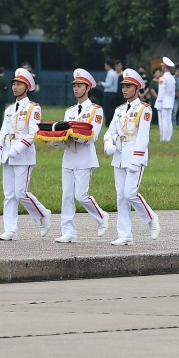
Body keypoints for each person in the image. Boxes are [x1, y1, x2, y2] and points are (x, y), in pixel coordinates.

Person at [0, 68, 52, 241]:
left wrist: (16, 149)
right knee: (9, 194)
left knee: (20, 193)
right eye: (14, 84)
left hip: (23, 155)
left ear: (27, 87)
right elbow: (3, 132)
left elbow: (33, 133)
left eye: (19, 84)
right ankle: (10, 229)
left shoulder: (33, 108)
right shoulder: (10, 109)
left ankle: (43, 213)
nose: (14, 87)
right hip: (8, 155)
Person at [103, 68, 160, 244]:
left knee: (130, 193)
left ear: (137, 88)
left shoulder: (144, 109)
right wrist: (108, 144)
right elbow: (109, 132)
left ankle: (151, 218)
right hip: (119, 156)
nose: (124, 89)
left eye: (128, 86)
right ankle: (125, 234)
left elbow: (143, 137)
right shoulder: (119, 109)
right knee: (121, 196)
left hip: (134, 155)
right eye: (123, 86)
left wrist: (137, 159)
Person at [53, 69, 109, 243]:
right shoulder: (69, 111)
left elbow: (93, 135)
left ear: (88, 88)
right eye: (74, 86)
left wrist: (73, 136)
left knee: (81, 195)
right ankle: (68, 231)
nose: (76, 89)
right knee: (67, 195)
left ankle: (101, 217)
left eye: (79, 86)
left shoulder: (95, 110)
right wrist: (55, 140)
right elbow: (63, 133)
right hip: (69, 156)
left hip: (85, 156)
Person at [155, 57, 176, 142]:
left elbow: (161, 92)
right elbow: (173, 93)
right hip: (170, 101)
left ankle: (163, 138)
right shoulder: (172, 78)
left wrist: (159, 103)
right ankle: (168, 137)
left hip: (163, 101)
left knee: (163, 122)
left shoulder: (163, 78)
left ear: (164, 67)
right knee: (168, 120)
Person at [101, 60, 119, 125]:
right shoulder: (115, 73)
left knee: (107, 108)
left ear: (108, 66)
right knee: (112, 109)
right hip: (114, 93)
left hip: (109, 93)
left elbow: (108, 84)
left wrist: (102, 83)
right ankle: (111, 122)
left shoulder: (110, 74)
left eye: (105, 65)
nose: (105, 67)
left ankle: (108, 123)